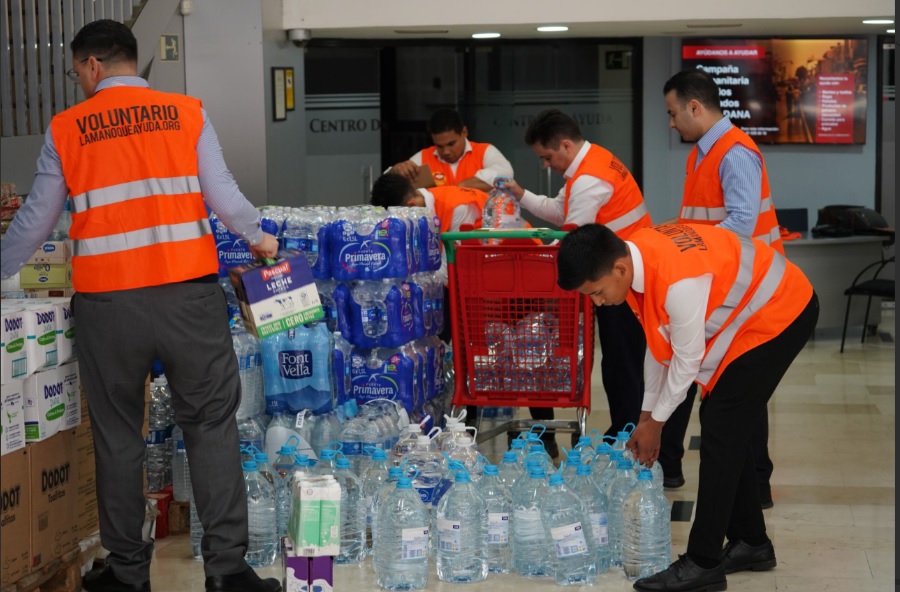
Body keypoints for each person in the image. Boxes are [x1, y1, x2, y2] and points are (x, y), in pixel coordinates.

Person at [0, 20, 281, 592]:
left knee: (119, 436)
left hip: (110, 306)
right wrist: (260, 237)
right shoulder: (187, 112)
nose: (78, 80)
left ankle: (129, 575)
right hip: (189, 301)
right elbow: (223, 193)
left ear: (92, 66)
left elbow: (38, 217)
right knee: (209, 429)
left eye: (77, 70)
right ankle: (227, 571)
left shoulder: (67, 127)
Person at [557, 223, 818, 592]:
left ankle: (703, 562)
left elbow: (686, 360)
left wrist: (657, 423)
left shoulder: (678, 281)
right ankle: (752, 542)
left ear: (618, 269)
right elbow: (658, 345)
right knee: (721, 422)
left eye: (597, 293)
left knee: (722, 425)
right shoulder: (636, 261)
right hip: (751, 311)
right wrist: (646, 416)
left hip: (782, 309)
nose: (598, 302)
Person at [660, 69, 783, 504]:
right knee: (719, 385)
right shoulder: (702, 153)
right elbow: (702, 219)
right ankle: (728, 479)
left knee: (742, 388)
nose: (671, 123)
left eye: (674, 113)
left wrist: (690, 249)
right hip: (719, 286)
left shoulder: (735, 153)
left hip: (749, 292)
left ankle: (757, 483)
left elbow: (740, 225)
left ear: (696, 107)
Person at [500, 108, 652, 454]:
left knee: (621, 363)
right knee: (619, 361)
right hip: (623, 272)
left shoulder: (588, 179)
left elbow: (572, 236)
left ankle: (627, 431)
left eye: (547, 157)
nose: (546, 165)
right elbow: (559, 210)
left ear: (565, 145)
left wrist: (530, 258)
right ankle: (625, 427)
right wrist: (520, 194)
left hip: (621, 281)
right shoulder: (594, 163)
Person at [389, 108, 513, 192]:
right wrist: (395, 171)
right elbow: (388, 185)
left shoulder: (484, 151)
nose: (446, 152)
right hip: (441, 227)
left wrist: (463, 186)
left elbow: (506, 174)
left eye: (451, 144)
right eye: (439, 146)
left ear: (464, 132)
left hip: (480, 227)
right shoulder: (423, 157)